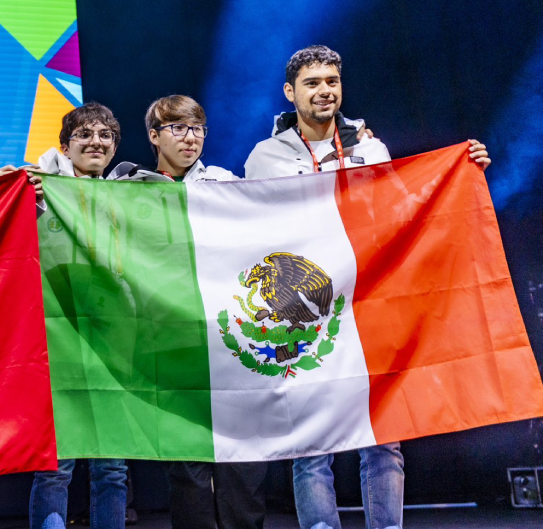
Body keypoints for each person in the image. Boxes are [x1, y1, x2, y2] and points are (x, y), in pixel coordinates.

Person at [244, 45, 489, 529]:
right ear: (291, 93)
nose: (325, 91)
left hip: (370, 302)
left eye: (332, 81)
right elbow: (253, 232)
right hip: (307, 310)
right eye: (312, 83)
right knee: (313, 446)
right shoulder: (265, 157)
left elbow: (404, 211)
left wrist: (464, 170)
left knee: (385, 436)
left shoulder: (370, 149)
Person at [107, 95, 268, 529]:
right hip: (167, 342)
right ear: (154, 136)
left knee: (244, 466)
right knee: (186, 470)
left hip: (231, 343)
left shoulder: (225, 183)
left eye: (197, 128)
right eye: (177, 128)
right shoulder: (128, 190)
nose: (190, 137)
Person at [0, 102, 129, 529]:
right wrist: (4, 186)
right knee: (57, 466)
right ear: (65, 146)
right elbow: (1, 213)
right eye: (84, 135)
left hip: (112, 342)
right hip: (56, 342)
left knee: (112, 469)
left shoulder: (127, 196)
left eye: (105, 135)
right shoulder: (39, 186)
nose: (95, 142)